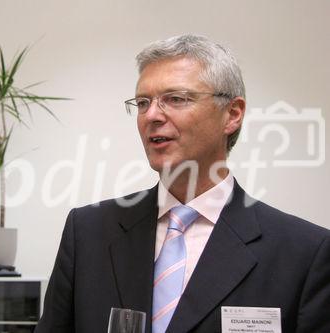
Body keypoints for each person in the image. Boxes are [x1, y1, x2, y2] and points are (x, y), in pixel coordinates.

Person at [35, 35, 330, 333]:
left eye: (176, 99)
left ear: (232, 114)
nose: (151, 115)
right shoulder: (88, 233)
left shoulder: (305, 253)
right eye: (142, 102)